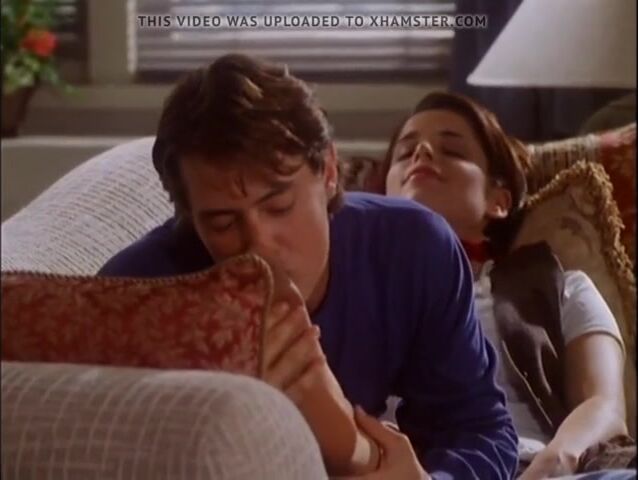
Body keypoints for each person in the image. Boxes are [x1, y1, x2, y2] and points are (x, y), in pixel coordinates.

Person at [98, 54, 518, 478]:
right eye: (222, 223)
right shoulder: (137, 294)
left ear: (330, 172)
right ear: (191, 219)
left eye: (279, 205)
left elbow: (481, 429)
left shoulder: (414, 246)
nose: (258, 246)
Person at [380, 91, 633, 479]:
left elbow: (604, 407)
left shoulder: (559, 286)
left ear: (498, 200)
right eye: (405, 152)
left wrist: (553, 463)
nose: (423, 153)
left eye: (452, 150)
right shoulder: (350, 287)